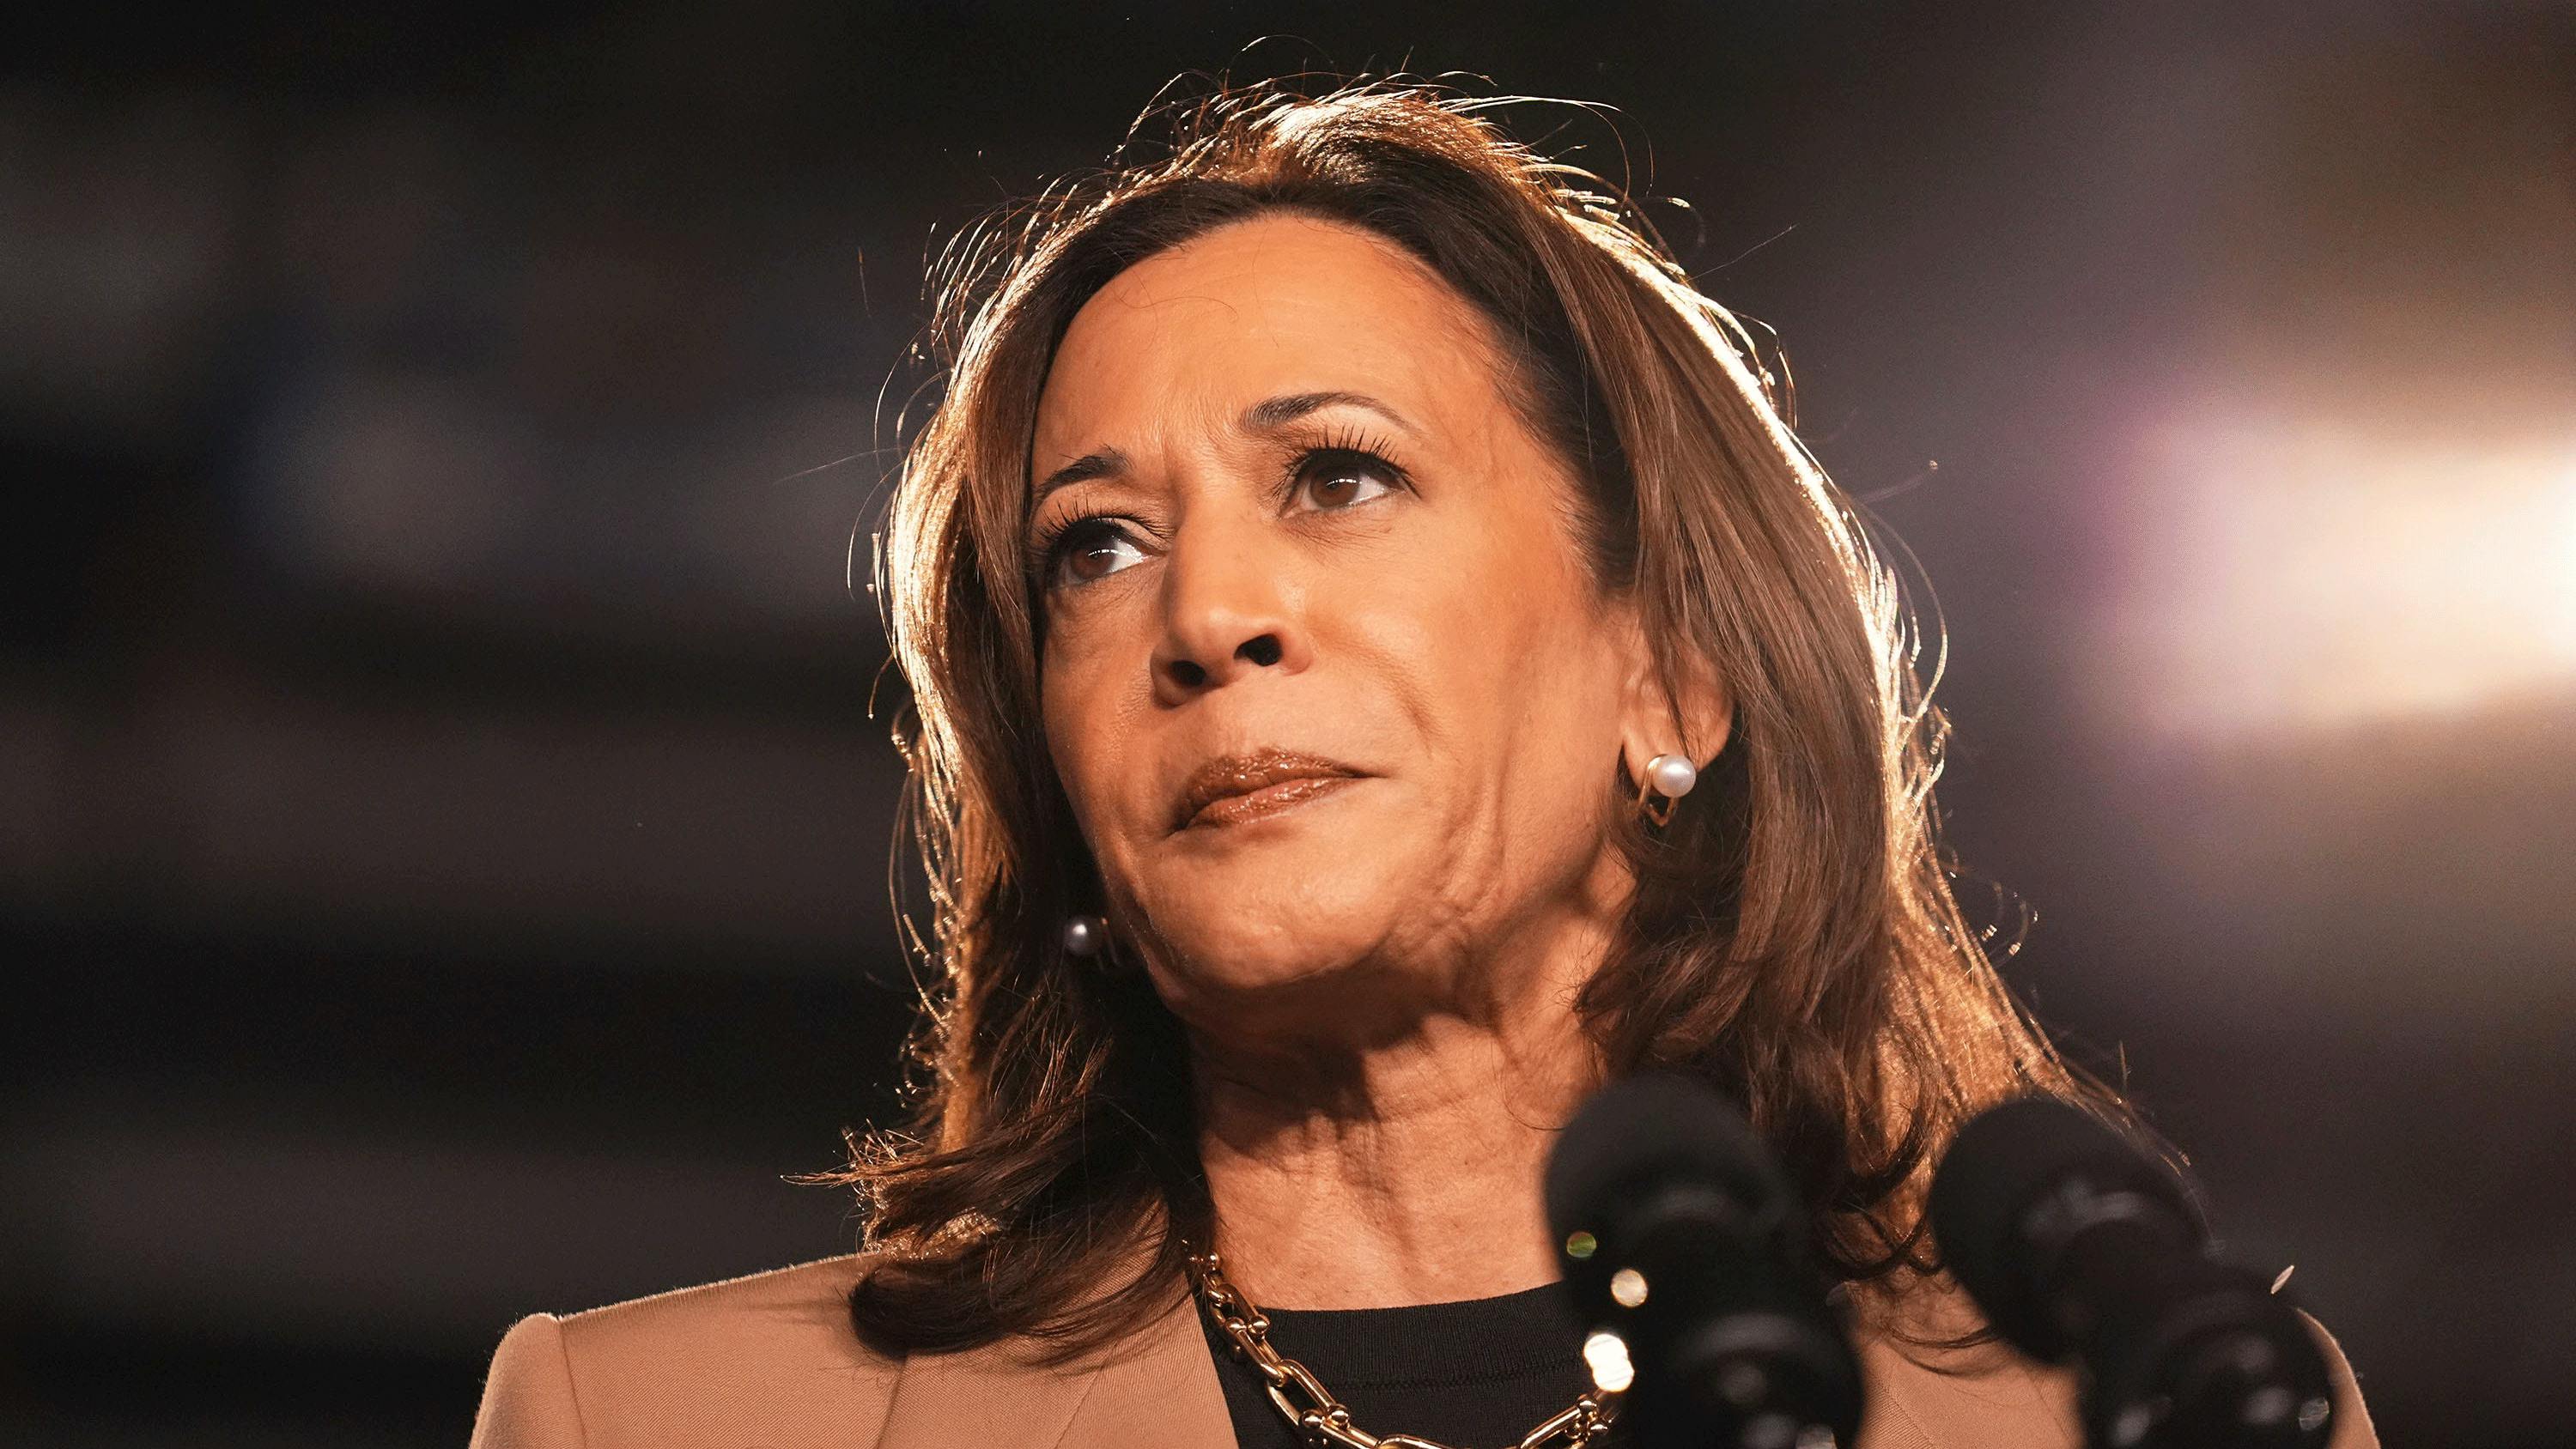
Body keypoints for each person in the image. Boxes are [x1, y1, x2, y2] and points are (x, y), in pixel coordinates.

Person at [468, 79, 2376, 1449]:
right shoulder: (644, 1421)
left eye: (1339, 476)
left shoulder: (2148, 1408)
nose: (1206, 612)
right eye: (1095, 547)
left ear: (1679, 674)